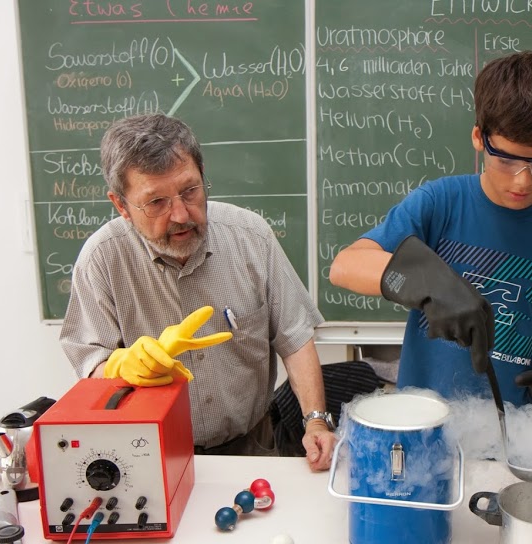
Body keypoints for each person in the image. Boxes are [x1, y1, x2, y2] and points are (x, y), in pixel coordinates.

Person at [329, 51, 532, 423]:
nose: (523, 179)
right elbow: (346, 266)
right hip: (423, 425)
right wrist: (433, 287)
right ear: (478, 137)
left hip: (508, 433)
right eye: (506, 161)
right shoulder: (439, 204)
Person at [60, 113, 336, 470]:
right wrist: (122, 367)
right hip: (148, 457)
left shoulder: (252, 237)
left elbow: (295, 338)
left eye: (190, 191)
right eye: (156, 202)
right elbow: (91, 366)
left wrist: (315, 420)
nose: (179, 214)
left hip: (251, 445)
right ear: (122, 206)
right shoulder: (101, 259)